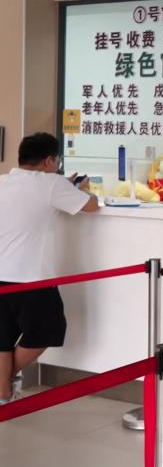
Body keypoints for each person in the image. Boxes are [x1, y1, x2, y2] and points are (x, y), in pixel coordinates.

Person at [0, 132, 99, 404]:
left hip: (2, 274)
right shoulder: (51, 184)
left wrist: (63, 186)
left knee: (3, 337)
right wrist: (79, 189)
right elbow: (91, 206)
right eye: (56, 161)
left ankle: (3, 393)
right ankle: (3, 384)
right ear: (48, 161)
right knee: (48, 329)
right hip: (30, 277)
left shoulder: (4, 181)